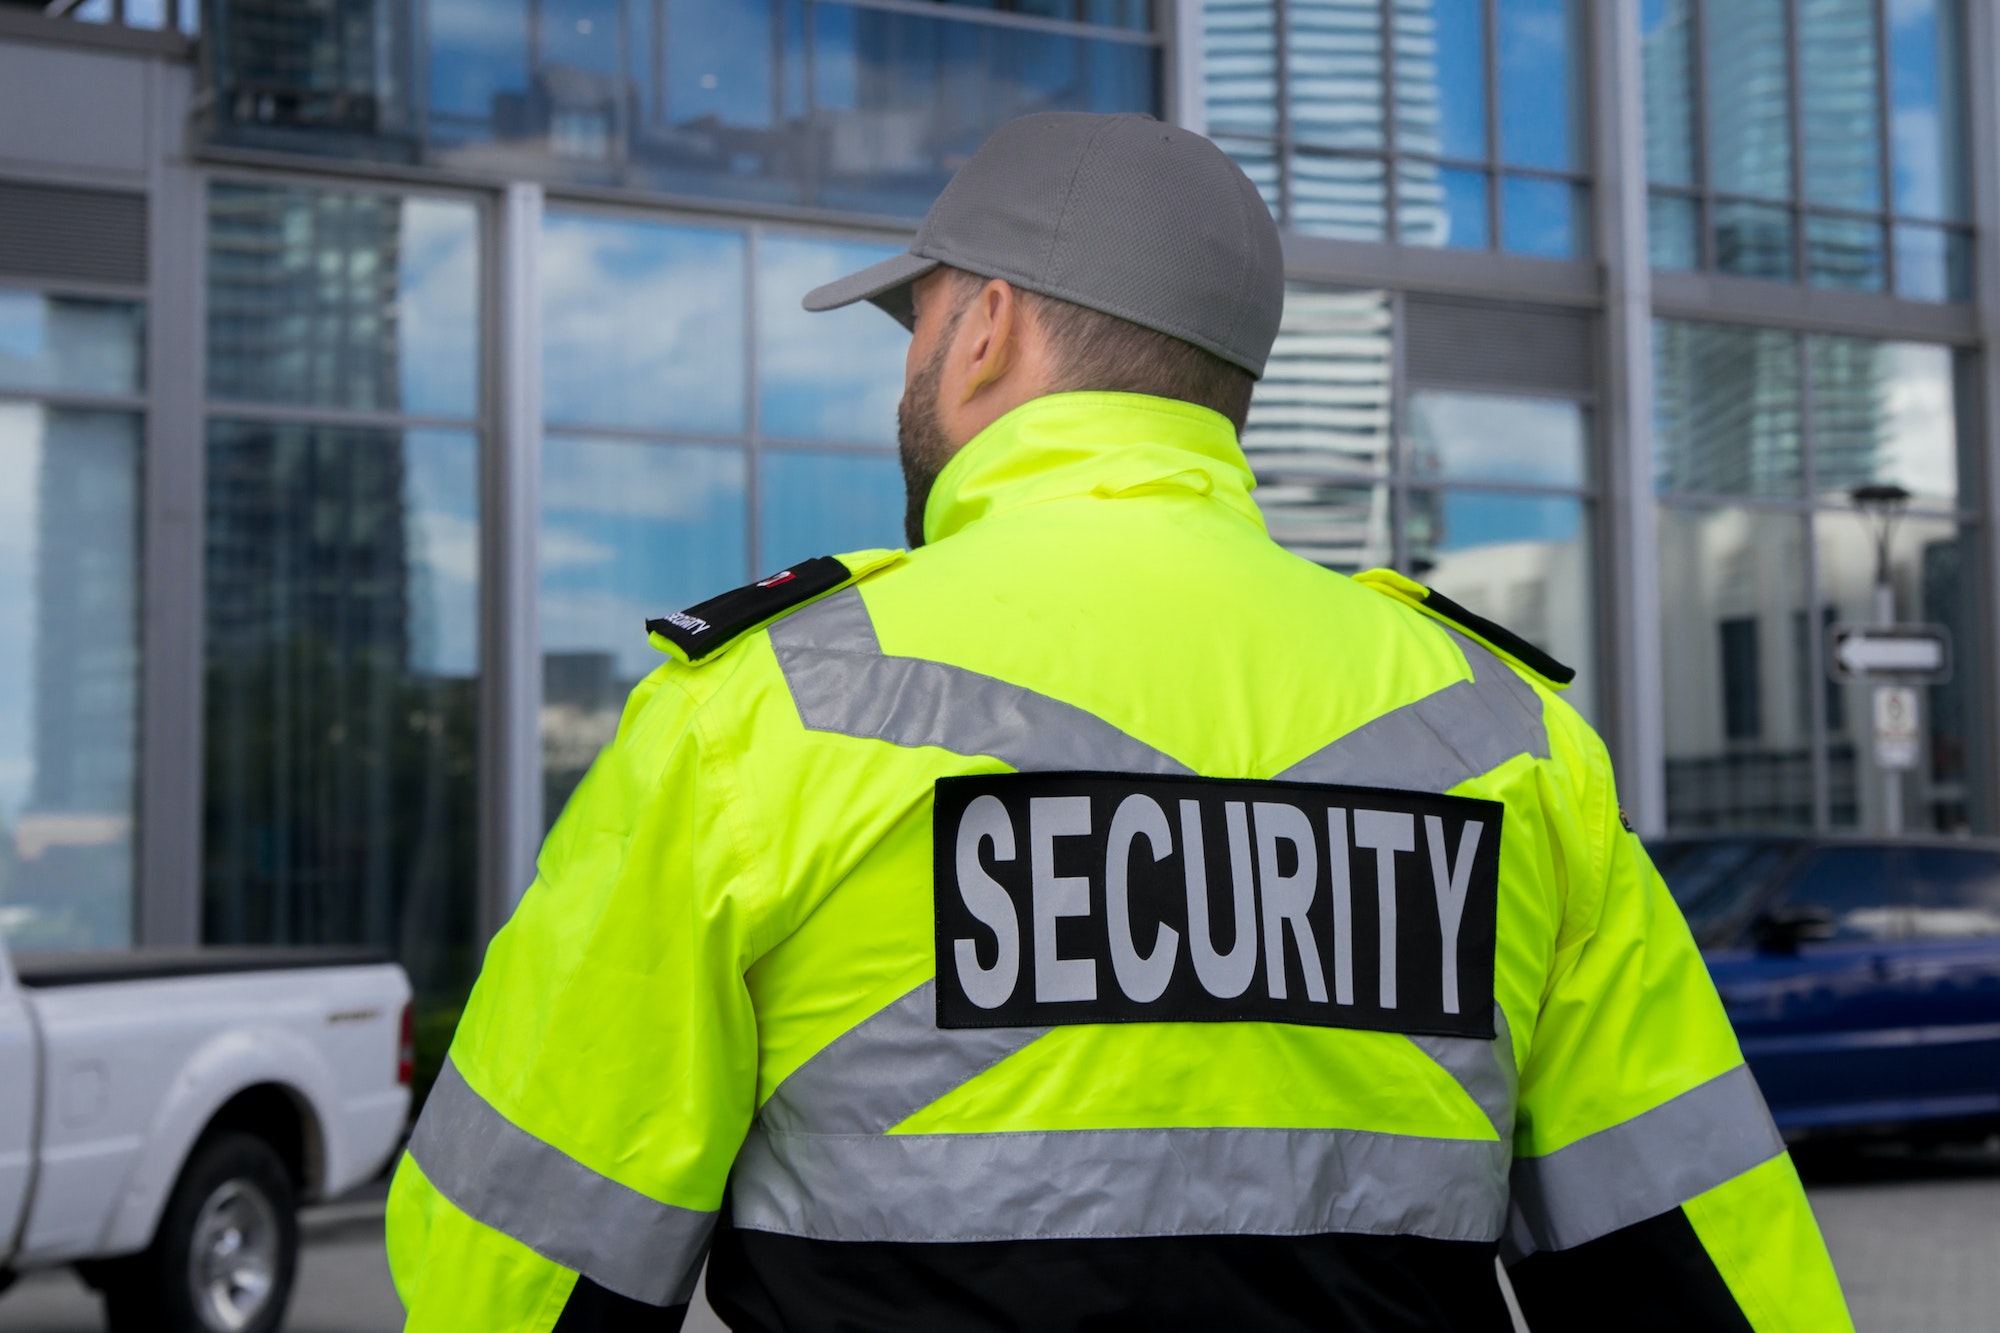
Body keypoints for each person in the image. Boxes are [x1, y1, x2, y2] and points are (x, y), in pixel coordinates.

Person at [386, 112, 1851, 1332]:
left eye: (918, 327)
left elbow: (514, 1258)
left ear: (986, 333)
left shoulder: (761, 713)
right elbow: (1705, 1265)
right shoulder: (1505, 737)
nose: (909, 370)